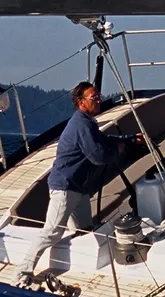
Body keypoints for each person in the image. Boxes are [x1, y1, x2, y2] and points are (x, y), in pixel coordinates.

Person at [16, 82, 138, 285]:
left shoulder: (87, 123)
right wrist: (120, 149)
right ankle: (22, 273)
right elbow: (98, 155)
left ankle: (76, 267)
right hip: (65, 187)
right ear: (81, 102)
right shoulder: (82, 125)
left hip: (79, 188)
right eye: (94, 97)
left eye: (99, 96)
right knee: (51, 232)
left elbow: (102, 140)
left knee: (84, 230)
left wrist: (128, 139)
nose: (99, 100)